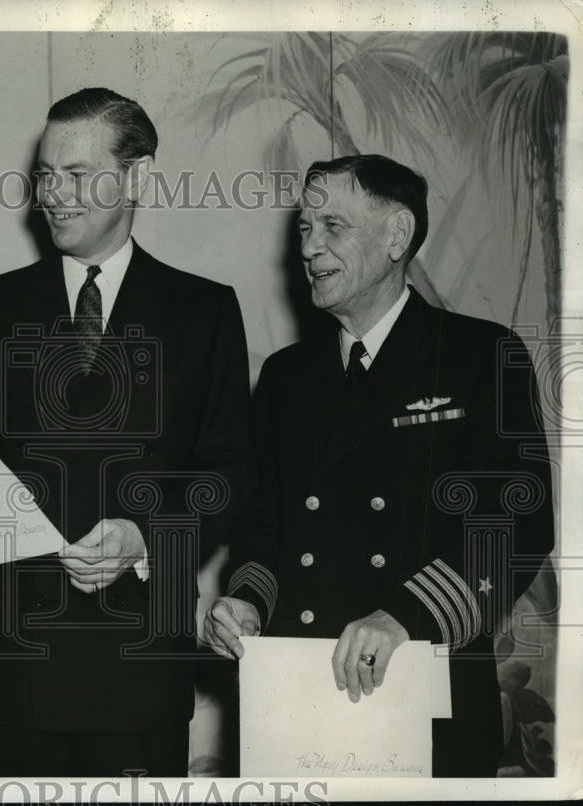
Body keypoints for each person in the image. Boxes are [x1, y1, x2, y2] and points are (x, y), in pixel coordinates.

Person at [203, 154, 554, 776]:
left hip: (426, 693)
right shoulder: (285, 377)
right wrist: (247, 601)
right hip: (299, 695)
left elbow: (517, 524)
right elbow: (264, 524)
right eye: (305, 231)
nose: (311, 249)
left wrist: (407, 617)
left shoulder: (480, 354)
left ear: (397, 235)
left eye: (333, 227)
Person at [0, 87, 252, 776]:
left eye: (77, 175)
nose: (54, 194)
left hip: (143, 664)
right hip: (15, 662)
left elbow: (228, 472)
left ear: (139, 176)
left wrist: (145, 536)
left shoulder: (205, 311)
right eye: (46, 175)